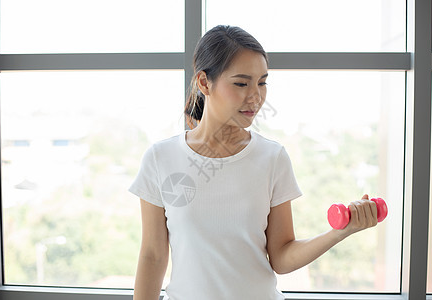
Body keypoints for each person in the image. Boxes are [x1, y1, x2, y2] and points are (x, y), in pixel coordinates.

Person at [129, 25, 379, 300]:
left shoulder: (272, 158)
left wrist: (340, 232)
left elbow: (282, 256)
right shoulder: (161, 158)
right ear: (204, 83)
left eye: (262, 82)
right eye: (241, 83)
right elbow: (152, 255)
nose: (255, 96)